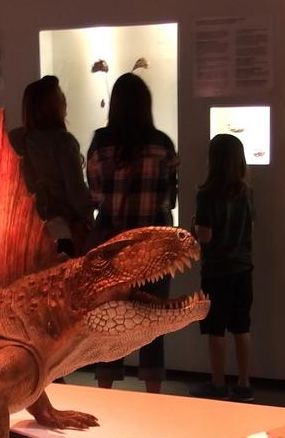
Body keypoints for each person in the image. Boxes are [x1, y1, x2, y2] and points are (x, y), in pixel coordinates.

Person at [86, 72, 178, 392]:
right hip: (155, 246)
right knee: (152, 322)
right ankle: (153, 395)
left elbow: (95, 195)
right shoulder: (162, 144)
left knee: (111, 321)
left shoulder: (100, 142)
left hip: (112, 247)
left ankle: (106, 394)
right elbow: (170, 197)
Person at [190, 134, 255, 402]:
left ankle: (217, 384)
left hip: (217, 270)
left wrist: (193, 227)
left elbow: (204, 236)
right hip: (243, 267)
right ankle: (244, 384)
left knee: (215, 328)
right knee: (241, 326)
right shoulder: (247, 192)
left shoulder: (207, 194)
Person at [8, 76, 93, 256]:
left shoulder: (13, 140)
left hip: (26, 233)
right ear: (51, 106)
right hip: (63, 234)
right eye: (60, 95)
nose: (64, 99)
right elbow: (76, 193)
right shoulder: (64, 143)